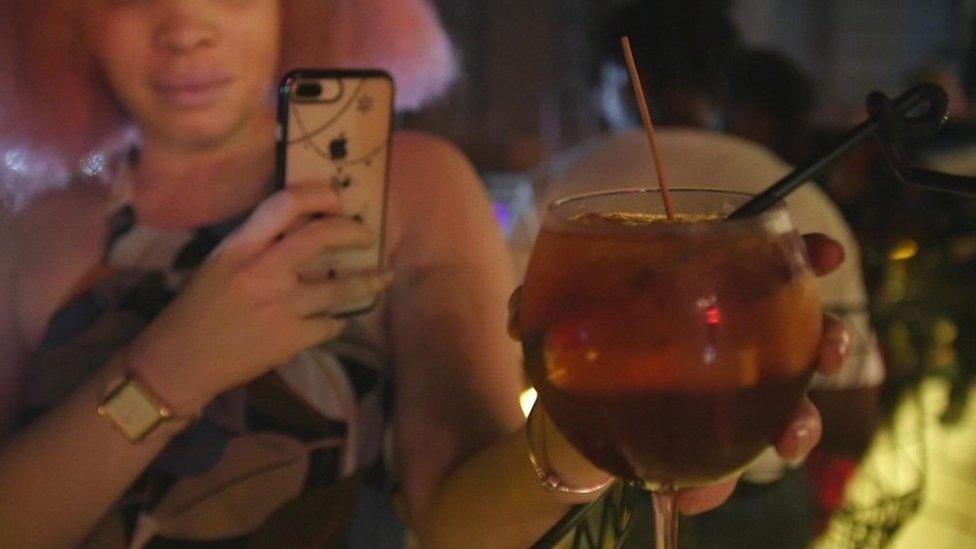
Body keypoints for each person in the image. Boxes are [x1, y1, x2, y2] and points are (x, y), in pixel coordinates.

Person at [0, 1, 848, 547]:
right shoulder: (26, 220)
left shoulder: (409, 188)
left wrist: (595, 431)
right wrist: (175, 365)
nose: (183, 26)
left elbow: (460, 521)